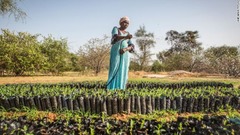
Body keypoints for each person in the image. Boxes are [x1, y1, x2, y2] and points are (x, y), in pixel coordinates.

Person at [106, 16, 134, 90]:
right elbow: (115, 38)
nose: (126, 24)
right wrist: (125, 37)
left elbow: (131, 46)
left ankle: (121, 88)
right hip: (116, 53)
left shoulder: (128, 33)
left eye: (128, 23)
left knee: (123, 69)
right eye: (125, 22)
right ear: (120, 22)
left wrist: (126, 49)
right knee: (114, 68)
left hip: (125, 55)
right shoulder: (116, 29)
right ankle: (111, 88)